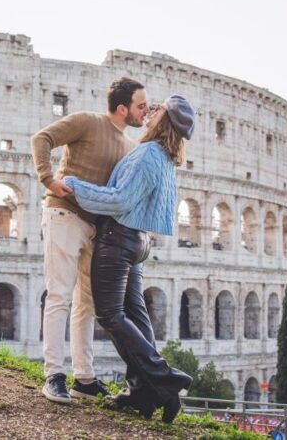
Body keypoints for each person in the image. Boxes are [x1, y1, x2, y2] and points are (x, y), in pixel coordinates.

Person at [62, 95, 195, 423]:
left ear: (163, 119)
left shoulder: (148, 153)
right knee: (136, 317)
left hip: (118, 238)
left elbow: (120, 199)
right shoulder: (165, 156)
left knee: (109, 315)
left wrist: (74, 185)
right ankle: (143, 391)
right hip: (138, 241)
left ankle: (164, 377)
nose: (150, 112)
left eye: (157, 108)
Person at [30, 77, 150, 403]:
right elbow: (42, 138)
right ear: (123, 108)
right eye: (142, 105)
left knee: (87, 304)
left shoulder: (130, 147)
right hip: (64, 215)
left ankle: (84, 378)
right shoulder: (87, 121)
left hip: (98, 229)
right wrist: (48, 179)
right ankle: (53, 374)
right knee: (58, 294)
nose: (146, 112)